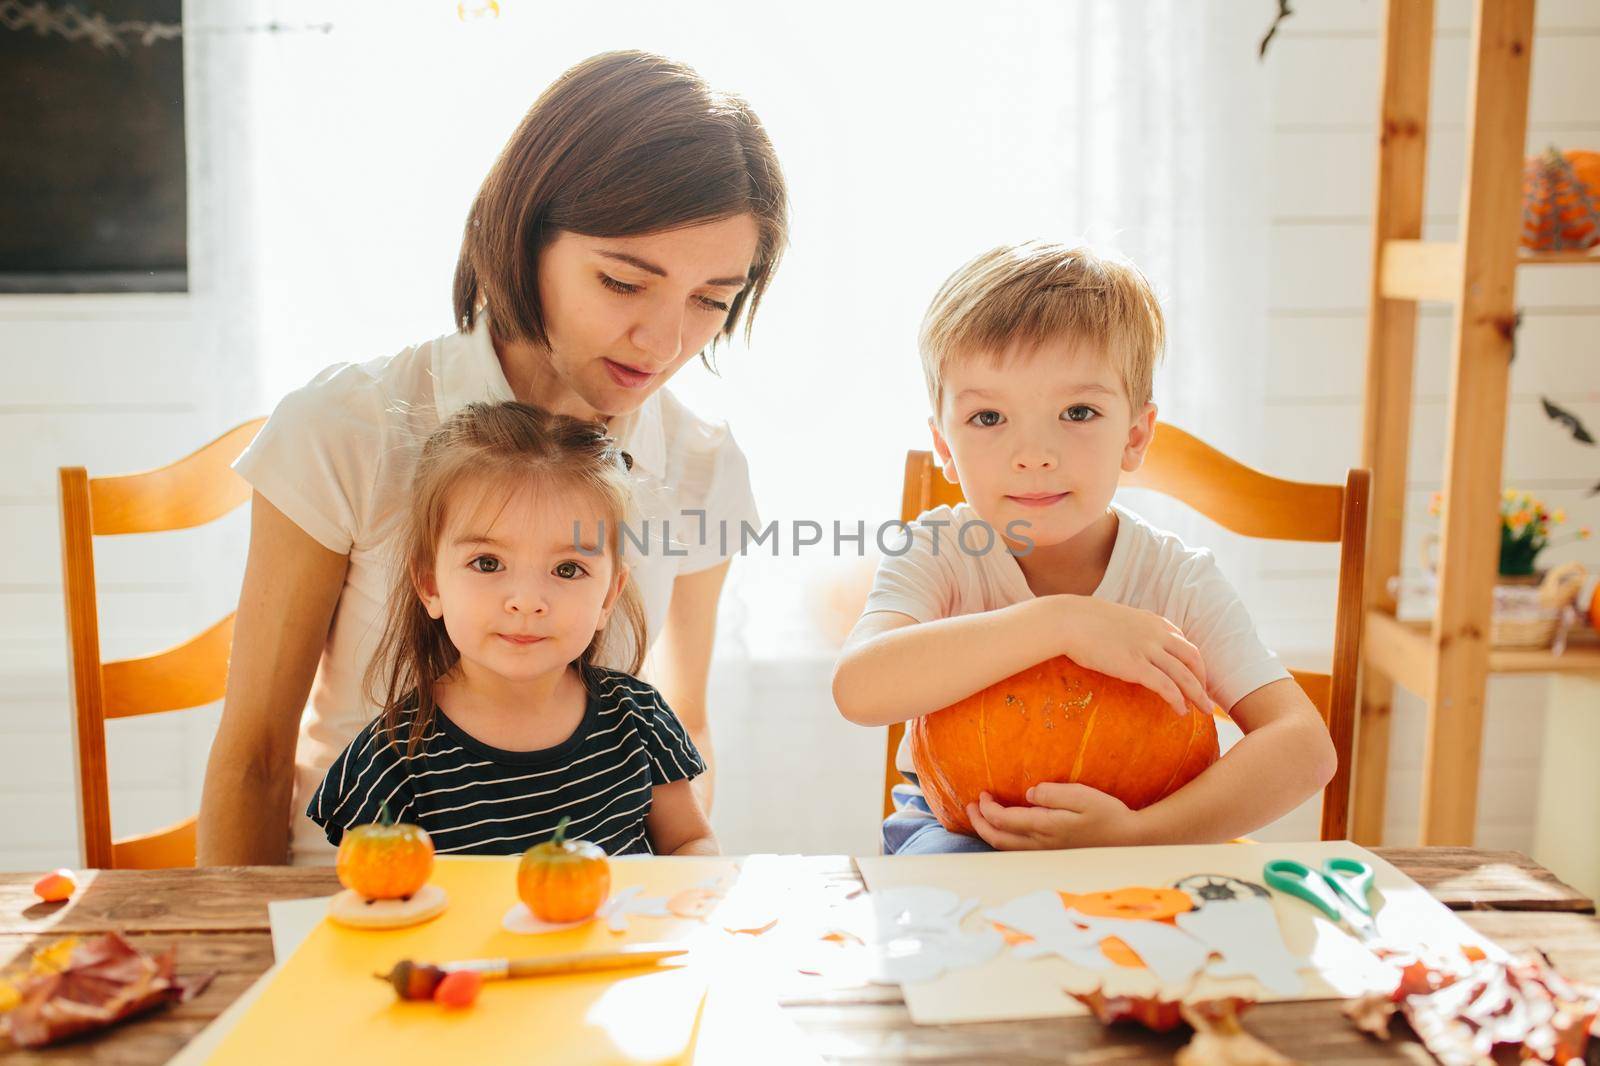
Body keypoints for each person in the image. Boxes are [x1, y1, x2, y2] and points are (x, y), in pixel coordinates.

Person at [199, 51, 786, 864]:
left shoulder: (701, 465)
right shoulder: (346, 430)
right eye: (622, 283)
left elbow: (683, 733)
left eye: (711, 301)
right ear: (524, 234)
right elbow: (256, 760)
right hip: (361, 914)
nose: (664, 342)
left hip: (589, 922)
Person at [831, 242, 1336, 855]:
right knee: (955, 916)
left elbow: (1305, 748)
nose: (1035, 453)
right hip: (961, 827)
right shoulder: (940, 550)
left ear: (1135, 435)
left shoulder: (1178, 581)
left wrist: (1143, 834)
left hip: (1144, 832)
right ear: (945, 444)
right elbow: (858, 689)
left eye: (1077, 411)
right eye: (989, 418)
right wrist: (1061, 622)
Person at [309, 402, 714, 857]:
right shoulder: (390, 760)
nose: (526, 600)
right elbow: (372, 893)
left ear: (607, 596)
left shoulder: (637, 719)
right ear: (429, 584)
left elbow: (690, 842)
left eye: (566, 569)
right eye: (488, 563)